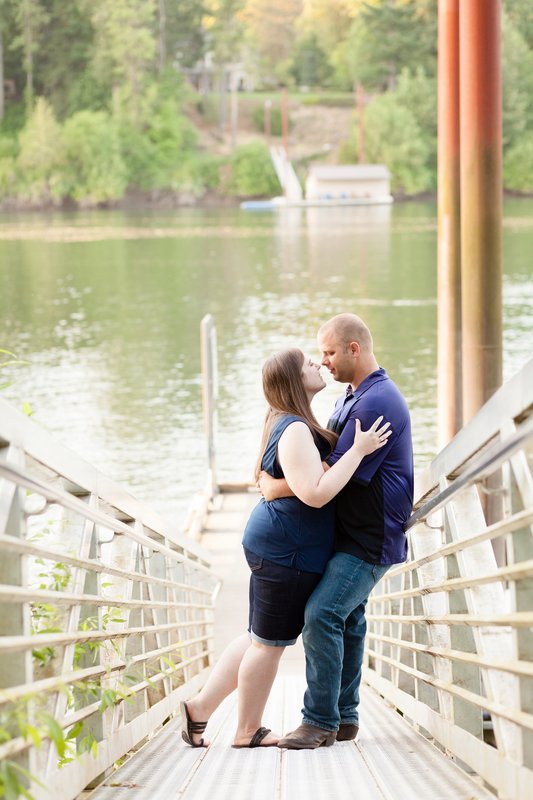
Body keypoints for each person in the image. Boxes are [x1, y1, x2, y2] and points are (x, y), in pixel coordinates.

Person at [180, 346, 391, 749]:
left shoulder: (290, 421)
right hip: (285, 551)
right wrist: (359, 451)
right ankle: (246, 730)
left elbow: (285, 481)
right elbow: (314, 494)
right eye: (308, 363)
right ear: (295, 380)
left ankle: (200, 709)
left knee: (259, 637)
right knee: (268, 644)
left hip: (281, 546)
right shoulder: (294, 427)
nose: (317, 363)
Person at [260, 314, 413, 749]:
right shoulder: (353, 394)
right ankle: (344, 718)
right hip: (352, 534)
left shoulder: (374, 402)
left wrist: (274, 486)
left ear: (353, 349)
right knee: (348, 619)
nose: (323, 362)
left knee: (322, 614)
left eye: (328, 352)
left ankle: (319, 721)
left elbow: (327, 475)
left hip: (370, 538)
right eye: (319, 355)